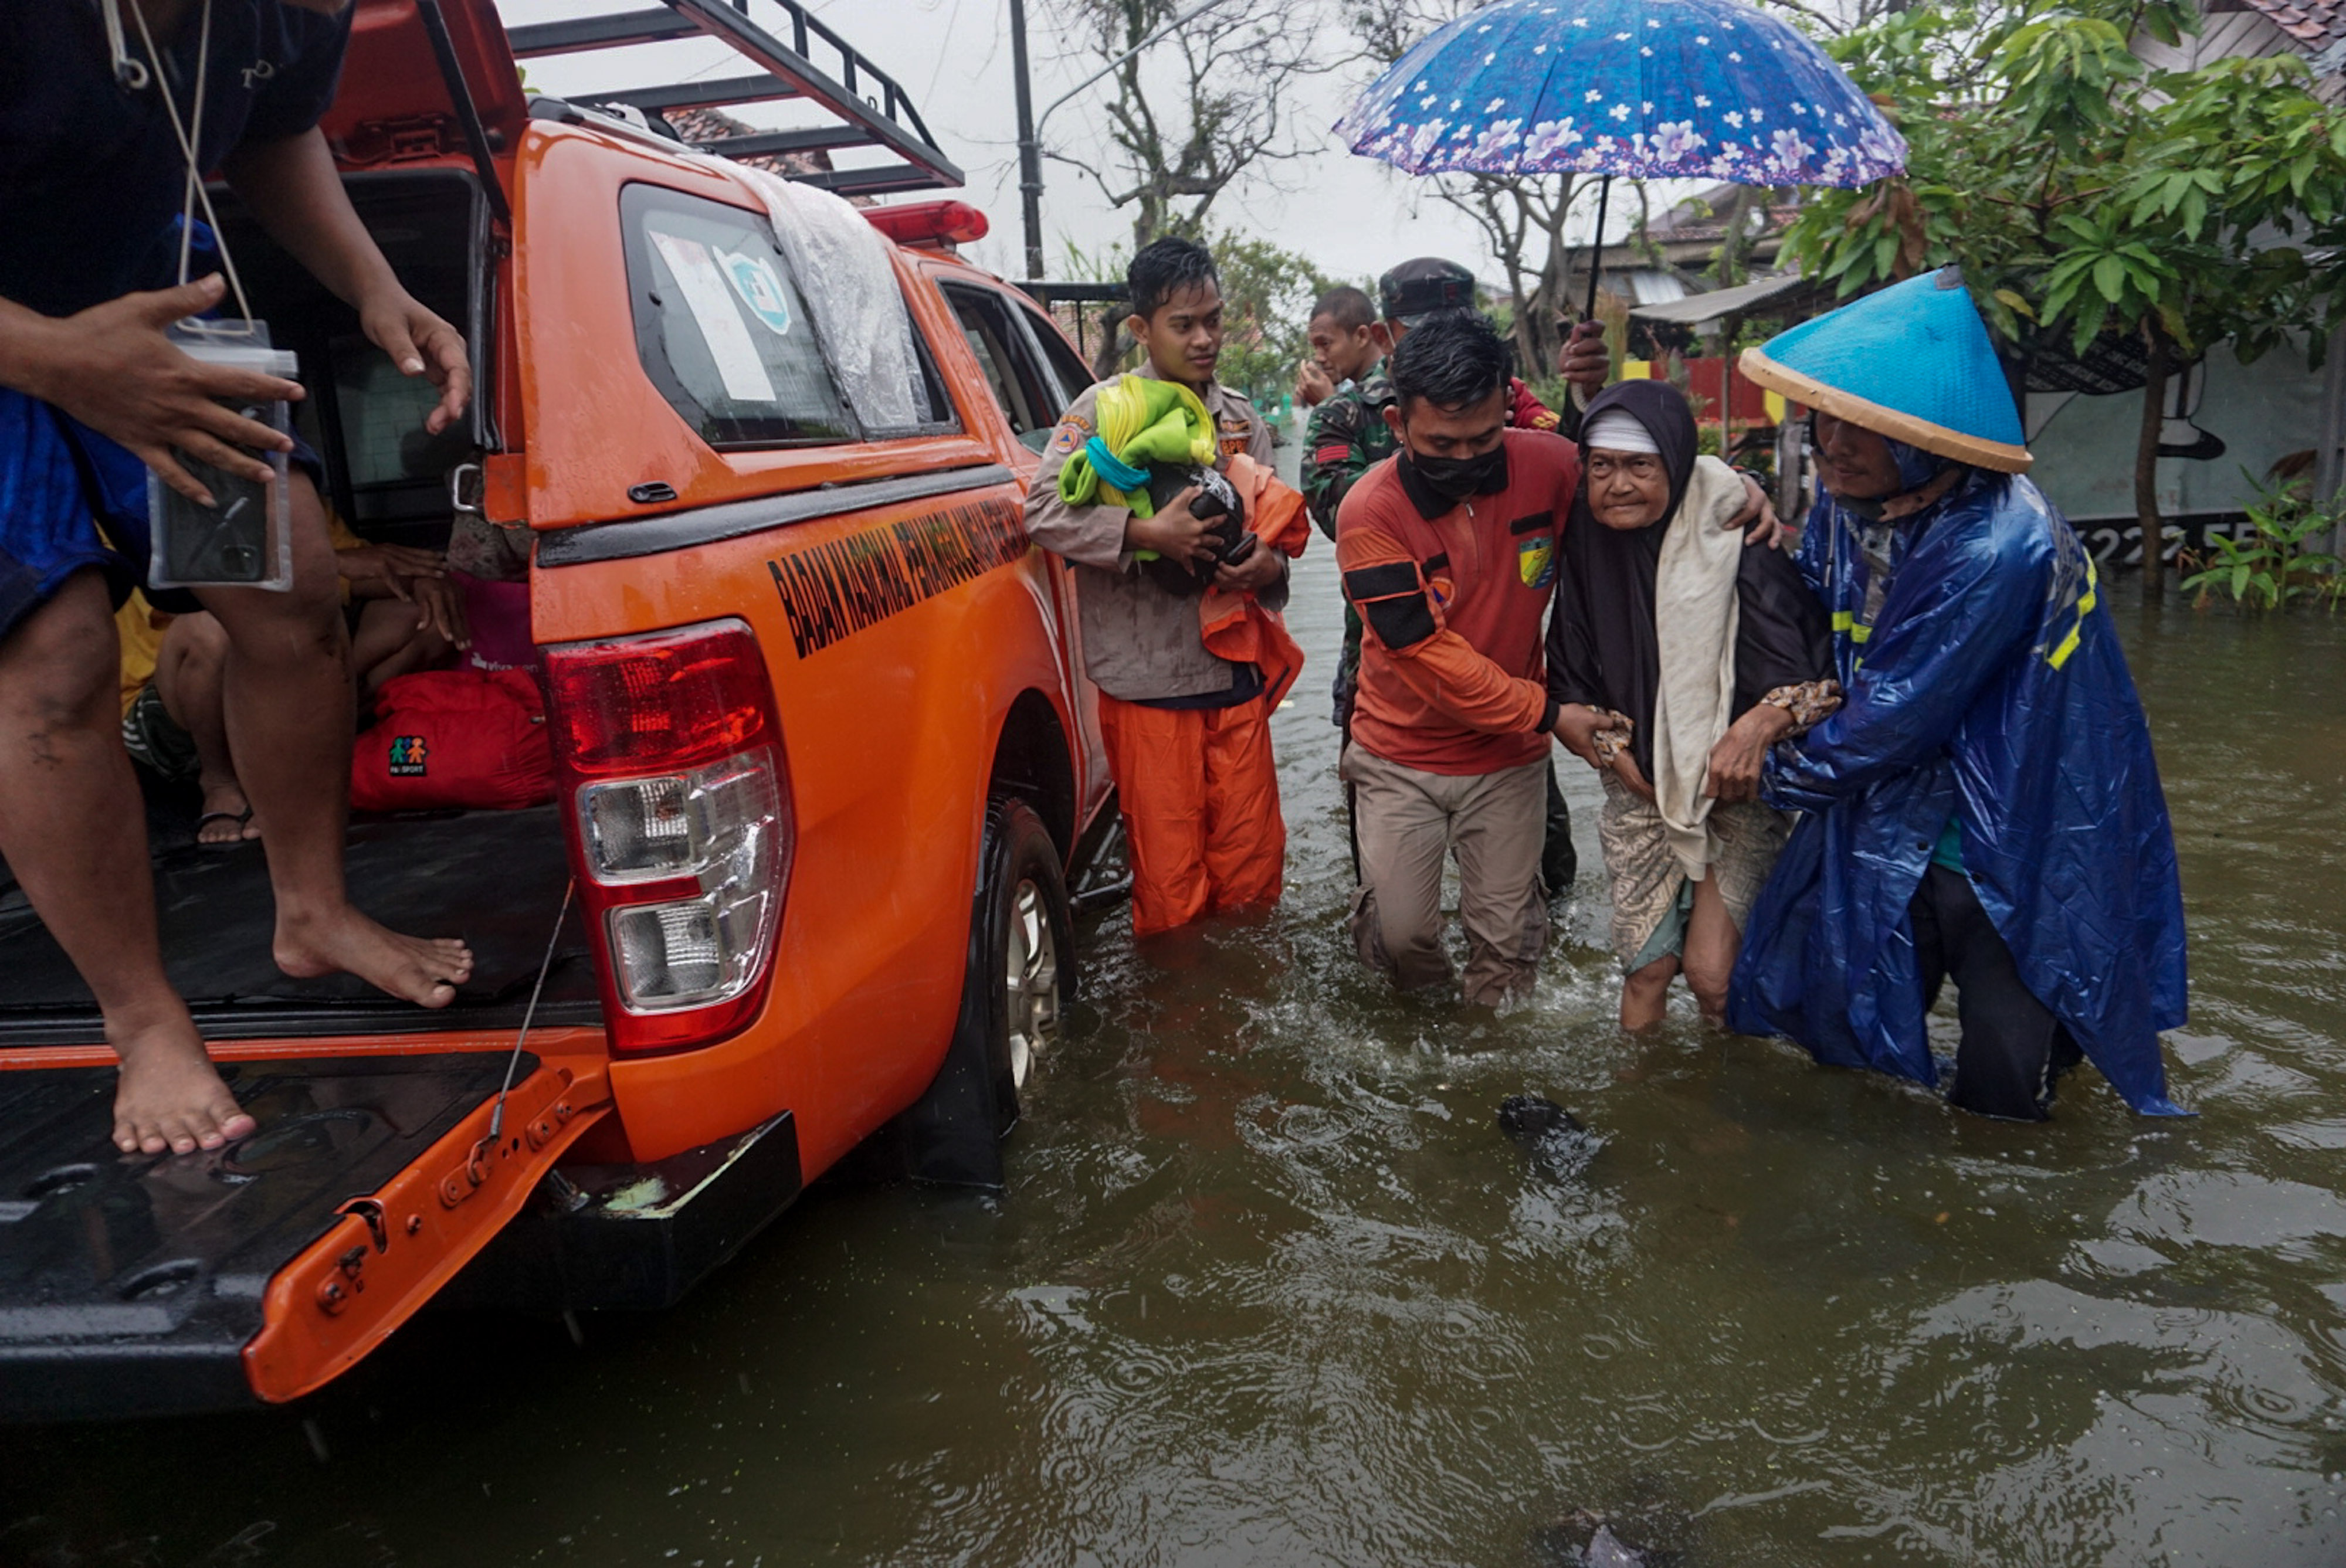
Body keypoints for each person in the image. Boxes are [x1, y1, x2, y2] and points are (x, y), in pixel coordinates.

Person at [0, 0, 477, 1155]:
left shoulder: (291, 14)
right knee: (54, 656)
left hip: (153, 287)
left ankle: (312, 910)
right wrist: (61, 361)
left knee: (294, 589)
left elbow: (275, 133)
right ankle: (146, 1019)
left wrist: (371, 284)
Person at [1729, 267, 2188, 1121]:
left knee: (2003, 1085)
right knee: (1852, 1048)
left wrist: (1758, 774)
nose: (1832, 442)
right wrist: (1741, 507)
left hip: (2011, 834)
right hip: (1896, 817)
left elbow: (1892, 715)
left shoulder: (1996, 543)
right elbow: (1818, 623)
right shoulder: (1849, 500)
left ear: (1930, 440)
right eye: (1824, 417)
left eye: (1861, 427)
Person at [1335, 313, 1770, 1007]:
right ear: (1396, 424)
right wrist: (1546, 711)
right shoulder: (1369, 512)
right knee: (1401, 936)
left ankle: (1487, 1055)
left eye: (1482, 439)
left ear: (1507, 409)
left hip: (1507, 758)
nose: (1465, 460)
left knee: (1506, 946)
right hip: (1398, 753)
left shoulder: (1546, 464)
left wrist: (1734, 485)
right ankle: (1421, 1020)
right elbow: (1424, 656)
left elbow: (1642, 479)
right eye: (1440, 444)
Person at [1025, 236, 1304, 939]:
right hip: (1147, 685)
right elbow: (1043, 512)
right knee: (1171, 889)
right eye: (1185, 324)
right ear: (1141, 330)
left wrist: (1267, 570)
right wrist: (1149, 536)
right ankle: (1179, 1033)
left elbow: (1272, 534)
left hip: (1235, 675)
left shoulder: (1242, 421)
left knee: (1253, 874)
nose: (1206, 338)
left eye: (1213, 318)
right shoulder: (1101, 412)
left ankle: (1241, 1013)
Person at [1303, 257, 1609, 894]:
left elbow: (1582, 484)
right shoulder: (1343, 417)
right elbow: (1339, 513)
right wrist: (1424, 459)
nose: (1466, 454)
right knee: (1386, 884)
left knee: (1545, 871)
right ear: (1389, 334)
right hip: (1386, 657)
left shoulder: (1511, 401)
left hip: (1509, 676)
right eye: (1424, 330)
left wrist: (1585, 398)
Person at [1546, 381, 1840, 1030]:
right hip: (1639, 786)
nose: (1617, 485)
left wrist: (1758, 726)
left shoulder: (1733, 531)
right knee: (1645, 969)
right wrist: (1611, 753)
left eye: (1639, 466)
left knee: (1713, 975)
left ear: (1675, 467)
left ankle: (1725, 1111)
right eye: (1601, 467)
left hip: (1733, 786)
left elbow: (1820, 683)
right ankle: (1640, 1103)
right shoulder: (1585, 543)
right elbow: (1566, 680)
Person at [119, 534, 462, 844]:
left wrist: (423, 580)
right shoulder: (139, 493)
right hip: (172, 694)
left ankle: (317, 725)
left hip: (281, 663)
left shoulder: (288, 487)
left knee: (428, 615)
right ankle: (222, 783)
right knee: (210, 628)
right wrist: (330, 562)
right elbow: (200, 592)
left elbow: (371, 570)